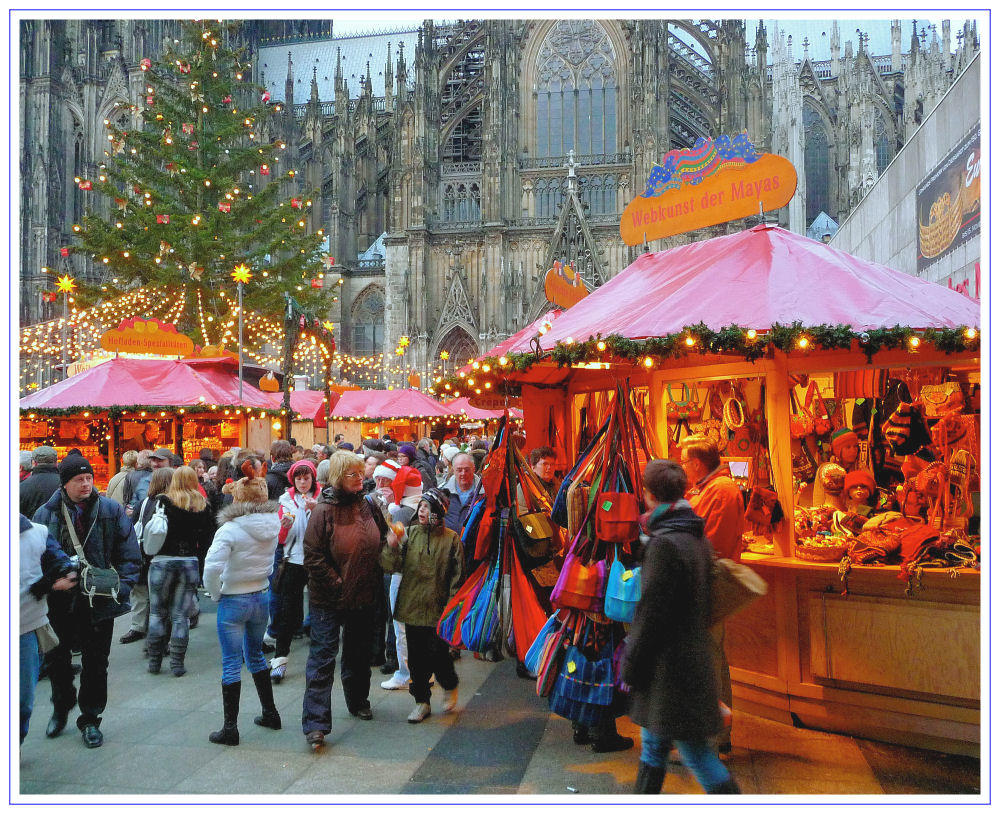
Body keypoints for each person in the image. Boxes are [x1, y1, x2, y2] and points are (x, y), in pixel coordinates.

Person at [624, 458, 740, 794]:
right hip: (688, 661)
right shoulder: (694, 534)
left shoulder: (663, 543)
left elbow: (651, 613)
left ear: (647, 494)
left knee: (696, 754)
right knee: (655, 746)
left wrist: (631, 663)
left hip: (671, 671)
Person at [32, 453, 141, 749]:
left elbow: (129, 553)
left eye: (89, 478)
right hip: (59, 602)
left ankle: (91, 719)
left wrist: (122, 585)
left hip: (100, 602)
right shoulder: (47, 513)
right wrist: (50, 584)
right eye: (79, 479)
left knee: (96, 663)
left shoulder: (109, 510)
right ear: (64, 484)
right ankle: (61, 704)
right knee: (57, 660)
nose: (86, 484)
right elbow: (35, 557)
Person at [301, 451, 394, 749]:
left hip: (364, 594)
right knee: (323, 657)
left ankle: (358, 700)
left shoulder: (367, 505)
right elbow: (313, 556)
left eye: (360, 474)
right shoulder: (324, 510)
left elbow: (380, 538)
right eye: (353, 475)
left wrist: (391, 541)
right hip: (329, 598)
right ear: (340, 477)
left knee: (358, 654)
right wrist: (339, 583)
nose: (360, 479)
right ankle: (315, 723)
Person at [202, 464, 282, 746]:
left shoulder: (230, 530)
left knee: (231, 663)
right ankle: (270, 713)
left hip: (234, 598)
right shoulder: (273, 524)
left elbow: (211, 568)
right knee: (256, 656)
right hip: (261, 594)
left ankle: (230, 728)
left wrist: (215, 593)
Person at [679, 438, 744, 755]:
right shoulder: (710, 489)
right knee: (713, 662)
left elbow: (710, 543)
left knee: (707, 662)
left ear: (696, 463)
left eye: (683, 462)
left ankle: (708, 739)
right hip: (705, 585)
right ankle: (717, 736)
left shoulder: (721, 490)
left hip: (706, 587)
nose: (682, 468)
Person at [380, 488, 463, 722]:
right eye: (422, 506)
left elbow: (458, 578)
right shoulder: (409, 534)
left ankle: (449, 684)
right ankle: (421, 701)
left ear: (439, 511)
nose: (422, 511)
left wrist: (452, 608)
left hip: (439, 609)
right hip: (412, 605)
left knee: (438, 655)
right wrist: (392, 546)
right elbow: (390, 566)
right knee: (416, 659)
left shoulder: (451, 539)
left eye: (428, 507)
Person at [146, 466, 216, 677]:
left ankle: (154, 661)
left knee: (157, 613)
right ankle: (177, 663)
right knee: (180, 616)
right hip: (189, 562)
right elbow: (206, 541)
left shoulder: (164, 502)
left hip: (162, 561)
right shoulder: (202, 505)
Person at [20, 513, 76, 743]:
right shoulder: (47, 511)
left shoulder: (37, 532)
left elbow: (62, 562)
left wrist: (61, 577)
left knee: (22, 699)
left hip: (25, 626)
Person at [269, 459, 322, 684]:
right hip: (293, 561)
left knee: (320, 610)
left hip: (318, 561)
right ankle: (280, 660)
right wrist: (284, 526)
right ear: (293, 479)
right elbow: (279, 539)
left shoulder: (321, 499)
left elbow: (327, 533)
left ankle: (320, 660)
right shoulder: (285, 501)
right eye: (298, 478)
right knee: (287, 611)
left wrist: (315, 511)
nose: (302, 482)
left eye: (306, 478)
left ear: (312, 479)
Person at [379, 464, 424, 691]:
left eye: (385, 482)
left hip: (403, 575)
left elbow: (391, 551)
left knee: (402, 629)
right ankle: (424, 672)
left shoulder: (400, 513)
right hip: (424, 576)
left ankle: (405, 673)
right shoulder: (425, 506)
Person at [119, 466, 175, 646]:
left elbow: (133, 524)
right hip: (168, 555)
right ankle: (161, 632)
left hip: (144, 552)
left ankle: (138, 626)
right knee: (164, 596)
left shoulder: (144, 503)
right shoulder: (177, 503)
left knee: (141, 591)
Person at [441, 452, 483, 536]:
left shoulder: (485, 494)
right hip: (450, 545)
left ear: (474, 469)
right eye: (459, 470)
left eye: (467, 470)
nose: (463, 473)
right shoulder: (442, 493)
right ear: (453, 470)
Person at [20, 446, 61, 518]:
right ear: (56, 463)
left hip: (32, 527)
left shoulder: (22, 486)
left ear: (34, 463)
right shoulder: (65, 484)